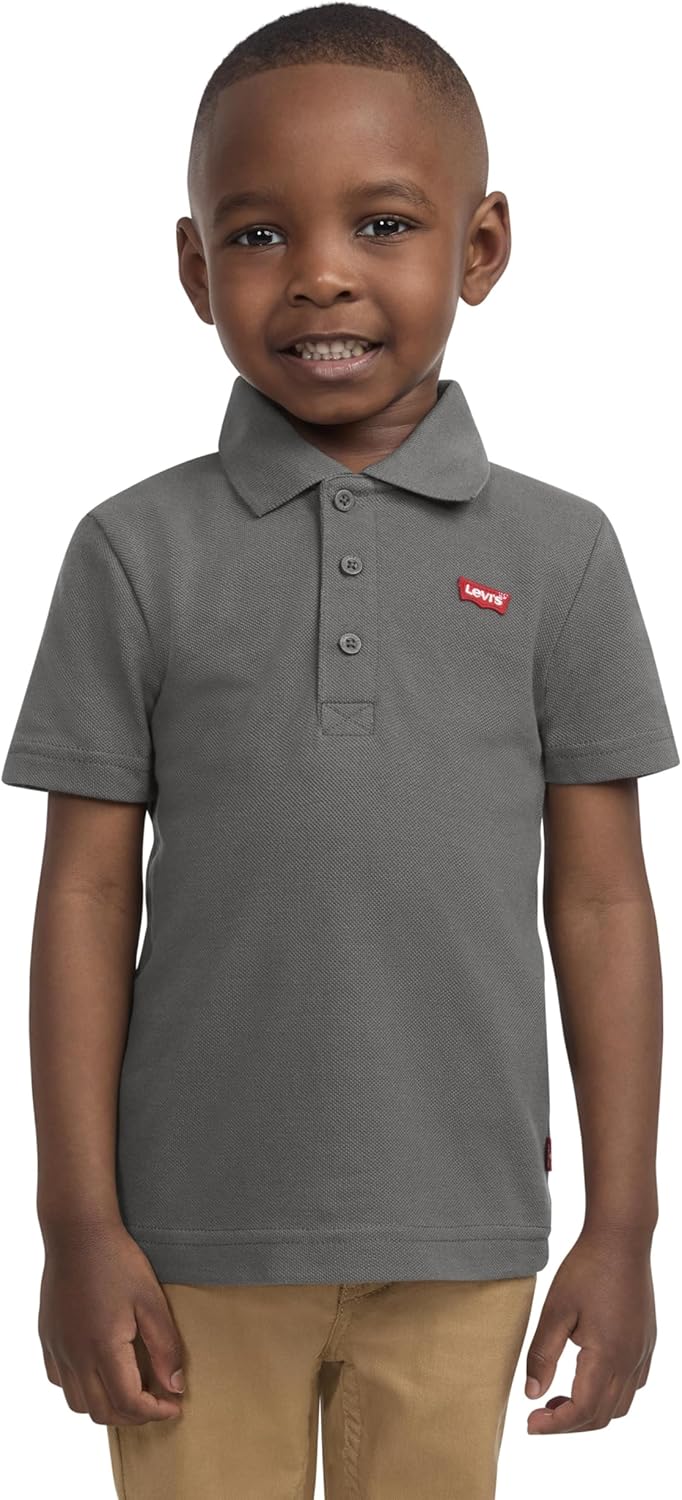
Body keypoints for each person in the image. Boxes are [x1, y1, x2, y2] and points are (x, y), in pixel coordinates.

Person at [3, 5, 679, 1498]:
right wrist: (76, 1223)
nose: (319, 272)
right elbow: (82, 900)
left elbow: (602, 902)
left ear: (480, 248)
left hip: (463, 1233)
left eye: (382, 223)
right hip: (184, 1245)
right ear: (195, 268)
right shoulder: (131, 552)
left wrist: (624, 1224)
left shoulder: (563, 556)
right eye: (257, 234)